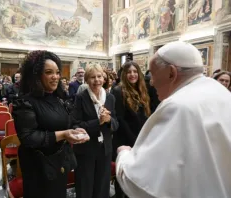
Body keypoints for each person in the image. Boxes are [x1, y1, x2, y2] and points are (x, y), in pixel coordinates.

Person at [116, 41, 231, 198]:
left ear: (171, 73)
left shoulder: (177, 105)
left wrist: (123, 156)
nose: (151, 82)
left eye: (154, 74)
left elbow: (139, 184)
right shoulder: (220, 92)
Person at [12, 50, 90, 198]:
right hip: (38, 168)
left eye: (57, 72)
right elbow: (28, 137)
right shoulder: (25, 102)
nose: (55, 77)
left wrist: (76, 129)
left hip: (59, 163)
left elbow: (69, 122)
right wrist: (64, 134)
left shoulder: (59, 99)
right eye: (49, 72)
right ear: (36, 75)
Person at [72, 63, 118, 198]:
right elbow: (75, 124)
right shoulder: (81, 97)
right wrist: (98, 122)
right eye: (92, 77)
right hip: (86, 150)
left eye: (99, 76)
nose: (96, 80)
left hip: (105, 149)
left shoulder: (110, 98)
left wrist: (109, 120)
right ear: (86, 80)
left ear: (104, 79)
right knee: (85, 186)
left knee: (102, 186)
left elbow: (116, 123)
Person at [111, 61, 151, 198]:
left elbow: (145, 115)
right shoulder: (118, 90)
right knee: (123, 175)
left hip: (140, 138)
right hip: (125, 140)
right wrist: (134, 141)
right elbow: (120, 120)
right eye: (129, 72)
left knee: (136, 175)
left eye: (135, 72)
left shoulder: (142, 89)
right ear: (124, 75)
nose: (132, 74)